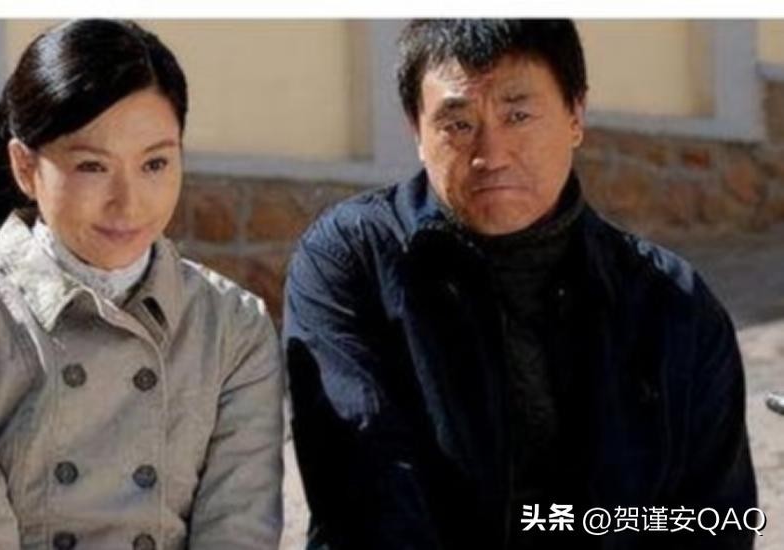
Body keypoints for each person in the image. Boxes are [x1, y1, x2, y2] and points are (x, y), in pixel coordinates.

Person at [284, 19, 757, 549]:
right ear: (417, 131)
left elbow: (714, 520)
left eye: (518, 115)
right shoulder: (352, 262)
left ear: (575, 114)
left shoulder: (673, 303)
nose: (492, 155)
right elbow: (366, 495)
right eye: (458, 124)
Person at [0, 19, 284, 550]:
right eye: (93, 167)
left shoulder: (232, 327)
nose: (128, 202)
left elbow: (238, 531)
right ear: (25, 167)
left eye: (155, 163)